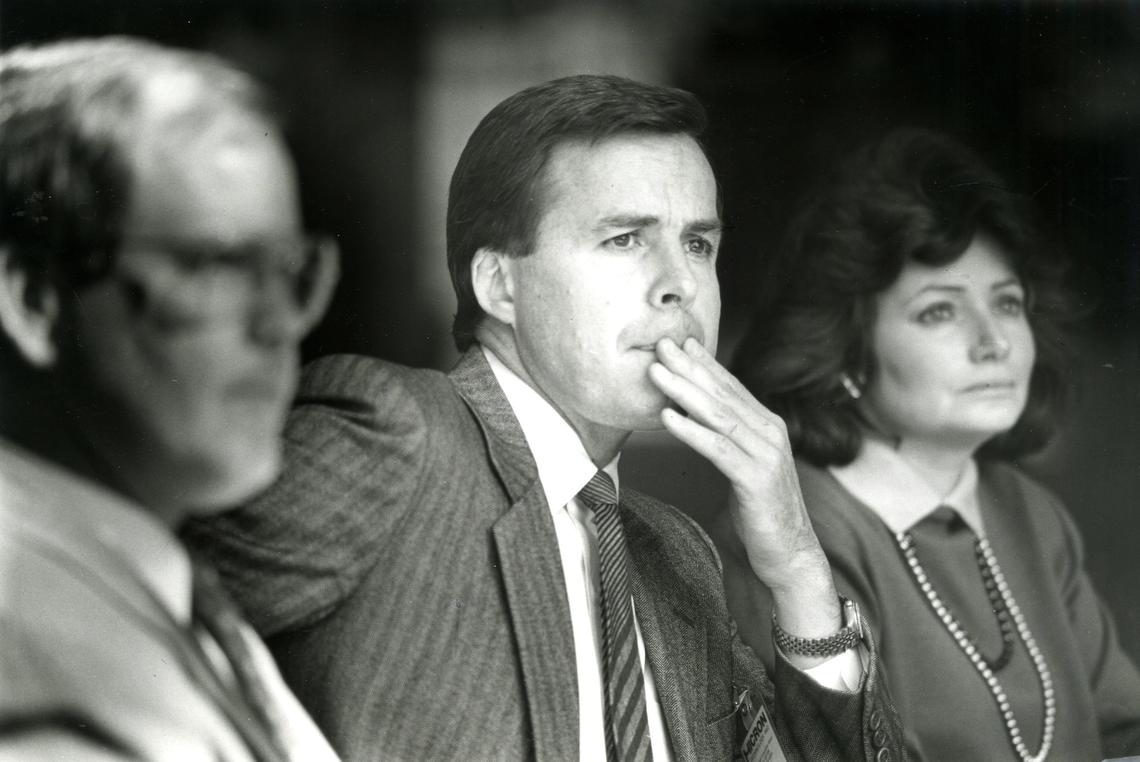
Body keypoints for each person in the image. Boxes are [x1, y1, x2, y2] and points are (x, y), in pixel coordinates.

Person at [184, 75, 905, 761]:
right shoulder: (396, 432)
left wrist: (801, 571)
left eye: (698, 243)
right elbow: (112, 610)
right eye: (625, 239)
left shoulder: (675, 551)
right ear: (499, 282)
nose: (681, 285)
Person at [729, 127, 1140, 760]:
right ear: (847, 352)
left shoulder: (1028, 511)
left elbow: (1122, 732)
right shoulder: (797, 525)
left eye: (1008, 304)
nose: (994, 342)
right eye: (939, 312)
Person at [0, 37, 341, 761]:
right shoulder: (30, 658)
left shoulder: (151, 580)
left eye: (289, 271)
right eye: (215, 266)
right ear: (33, 299)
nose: (277, 323)